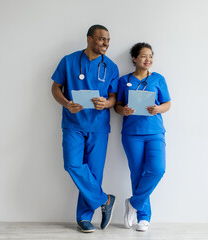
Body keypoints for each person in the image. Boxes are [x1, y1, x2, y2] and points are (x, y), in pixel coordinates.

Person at [51, 24, 118, 233]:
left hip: (98, 126)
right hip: (73, 124)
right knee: (72, 164)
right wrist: (66, 103)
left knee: (94, 173)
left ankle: (84, 218)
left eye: (107, 40)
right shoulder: (69, 61)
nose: (105, 43)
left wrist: (105, 104)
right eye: (101, 39)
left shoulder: (111, 67)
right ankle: (104, 199)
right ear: (89, 39)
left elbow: (114, 97)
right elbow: (55, 88)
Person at [114, 42, 171, 231]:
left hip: (154, 132)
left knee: (157, 170)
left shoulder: (158, 79)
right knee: (137, 174)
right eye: (144, 56)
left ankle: (134, 203)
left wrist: (157, 109)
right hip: (132, 134)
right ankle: (143, 218)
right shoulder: (124, 80)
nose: (148, 60)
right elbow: (117, 106)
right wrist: (125, 110)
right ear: (134, 58)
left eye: (151, 56)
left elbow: (167, 104)